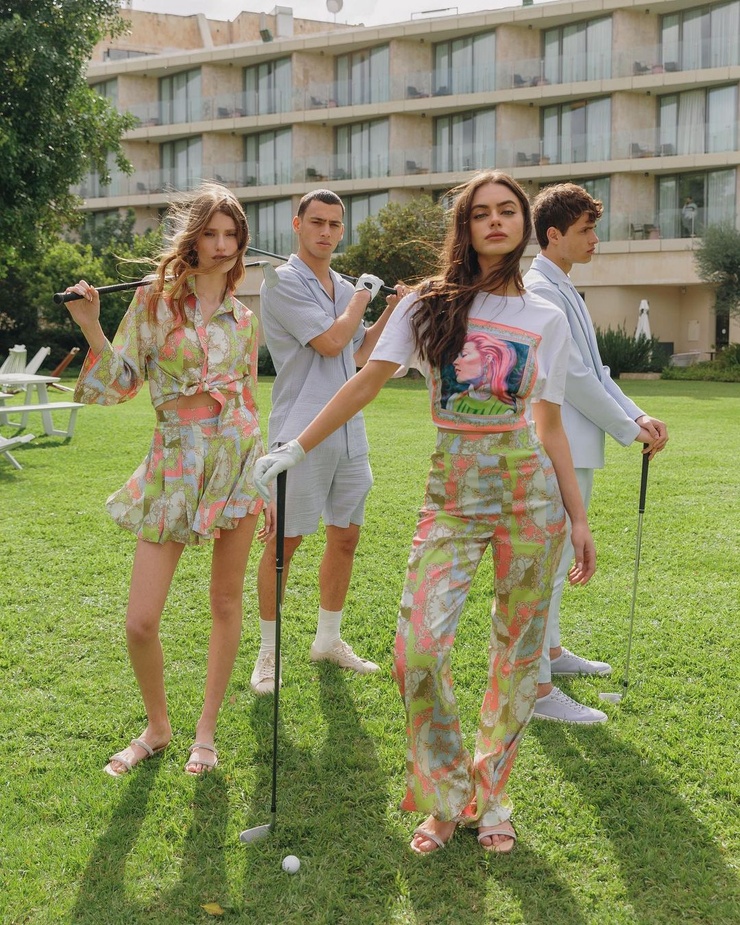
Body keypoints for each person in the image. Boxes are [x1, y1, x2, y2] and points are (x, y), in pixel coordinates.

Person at [252, 171, 596, 855]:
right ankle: (444, 794)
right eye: (481, 212)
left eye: (507, 211)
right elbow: (364, 382)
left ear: (524, 225)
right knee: (418, 652)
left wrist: (579, 518)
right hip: (452, 497)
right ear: (465, 226)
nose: (494, 221)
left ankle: (489, 795)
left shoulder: (547, 318)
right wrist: (296, 445)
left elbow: (550, 424)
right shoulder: (427, 305)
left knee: (518, 656)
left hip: (530, 498)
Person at [65, 183, 269, 777]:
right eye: (211, 233)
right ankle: (157, 728)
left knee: (225, 600)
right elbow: (121, 384)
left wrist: (265, 485)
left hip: (236, 463)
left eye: (232, 235)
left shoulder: (244, 319)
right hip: (174, 463)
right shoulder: (154, 303)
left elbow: (250, 402)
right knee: (141, 621)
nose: (223, 245)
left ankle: (205, 732)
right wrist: (91, 326)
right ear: (192, 239)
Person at [524, 182, 668, 724]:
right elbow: (575, 377)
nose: (594, 239)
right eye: (585, 230)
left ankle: (552, 652)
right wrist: (627, 429)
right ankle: (536, 686)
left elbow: (598, 370)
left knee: (559, 557)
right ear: (554, 234)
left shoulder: (564, 285)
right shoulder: (540, 288)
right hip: (555, 443)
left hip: (578, 443)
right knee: (547, 564)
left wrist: (637, 416)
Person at [250, 188, 403, 695]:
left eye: (335, 224)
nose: (326, 232)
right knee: (284, 544)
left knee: (346, 537)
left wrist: (390, 310)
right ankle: (268, 652)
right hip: (299, 429)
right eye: (317, 222)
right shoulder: (281, 282)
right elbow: (331, 342)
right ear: (297, 225)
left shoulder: (342, 285)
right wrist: (363, 296)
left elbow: (358, 355)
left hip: (349, 431)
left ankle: (328, 640)